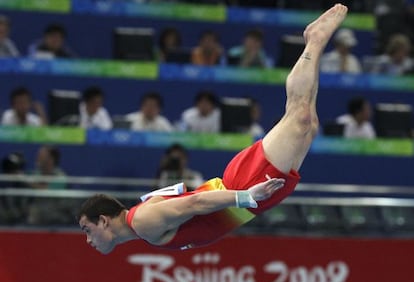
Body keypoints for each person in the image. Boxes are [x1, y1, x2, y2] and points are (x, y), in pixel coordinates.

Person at [78, 4, 349, 254]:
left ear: (103, 221)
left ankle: (315, 40)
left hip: (243, 186)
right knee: (309, 125)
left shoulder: (144, 222)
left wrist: (245, 196)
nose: (88, 239)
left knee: (300, 118)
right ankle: (315, 42)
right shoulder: (143, 222)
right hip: (243, 200)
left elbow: (193, 204)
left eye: (87, 230)